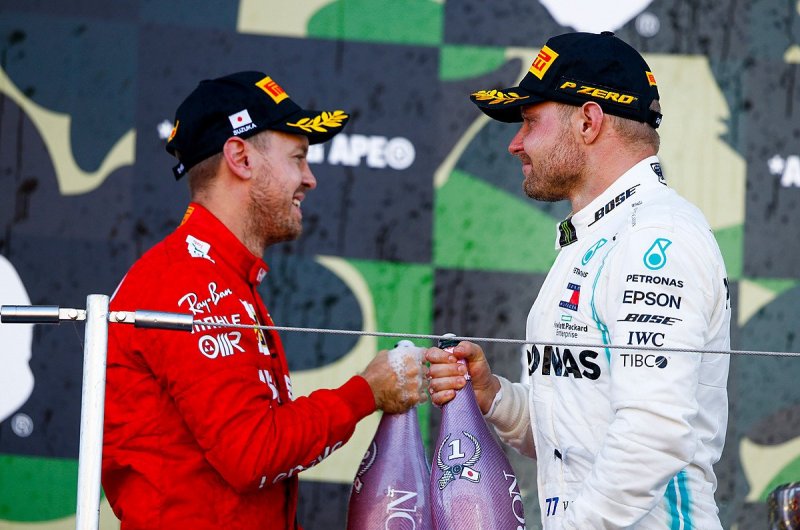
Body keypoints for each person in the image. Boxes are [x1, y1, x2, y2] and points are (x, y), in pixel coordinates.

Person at [427, 32, 731, 529]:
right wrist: (494, 396)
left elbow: (653, 434)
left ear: (588, 121)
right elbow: (573, 433)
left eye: (530, 121)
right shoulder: (594, 235)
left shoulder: (657, 237)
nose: (515, 143)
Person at [102, 71, 426, 529]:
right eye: (298, 158)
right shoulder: (186, 279)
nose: (310, 180)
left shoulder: (219, 275)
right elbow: (252, 453)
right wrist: (365, 392)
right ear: (241, 158)